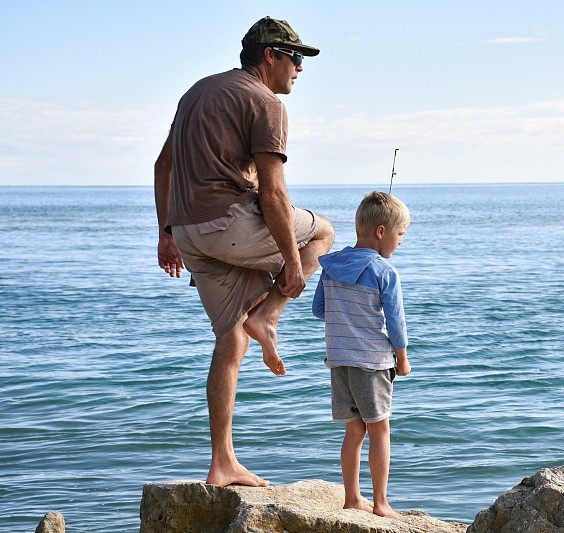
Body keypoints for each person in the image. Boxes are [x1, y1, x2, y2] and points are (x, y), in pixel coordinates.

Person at [153, 16, 335, 488]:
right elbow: (274, 195)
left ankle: (222, 462)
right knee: (323, 234)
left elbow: (163, 163)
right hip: (227, 224)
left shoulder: (197, 91)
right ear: (269, 56)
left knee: (231, 340)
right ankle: (269, 317)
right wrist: (292, 268)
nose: (300, 69)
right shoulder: (265, 103)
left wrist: (166, 233)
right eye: (295, 58)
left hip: (189, 232)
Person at [312, 191, 412, 518]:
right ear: (381, 232)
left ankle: (353, 498)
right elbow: (396, 323)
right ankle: (381, 503)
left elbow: (319, 309)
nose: (400, 242)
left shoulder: (330, 266)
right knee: (379, 429)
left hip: (339, 359)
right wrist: (402, 357)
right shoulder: (384, 272)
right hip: (372, 362)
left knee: (354, 430)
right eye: (400, 235)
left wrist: (346, 317)